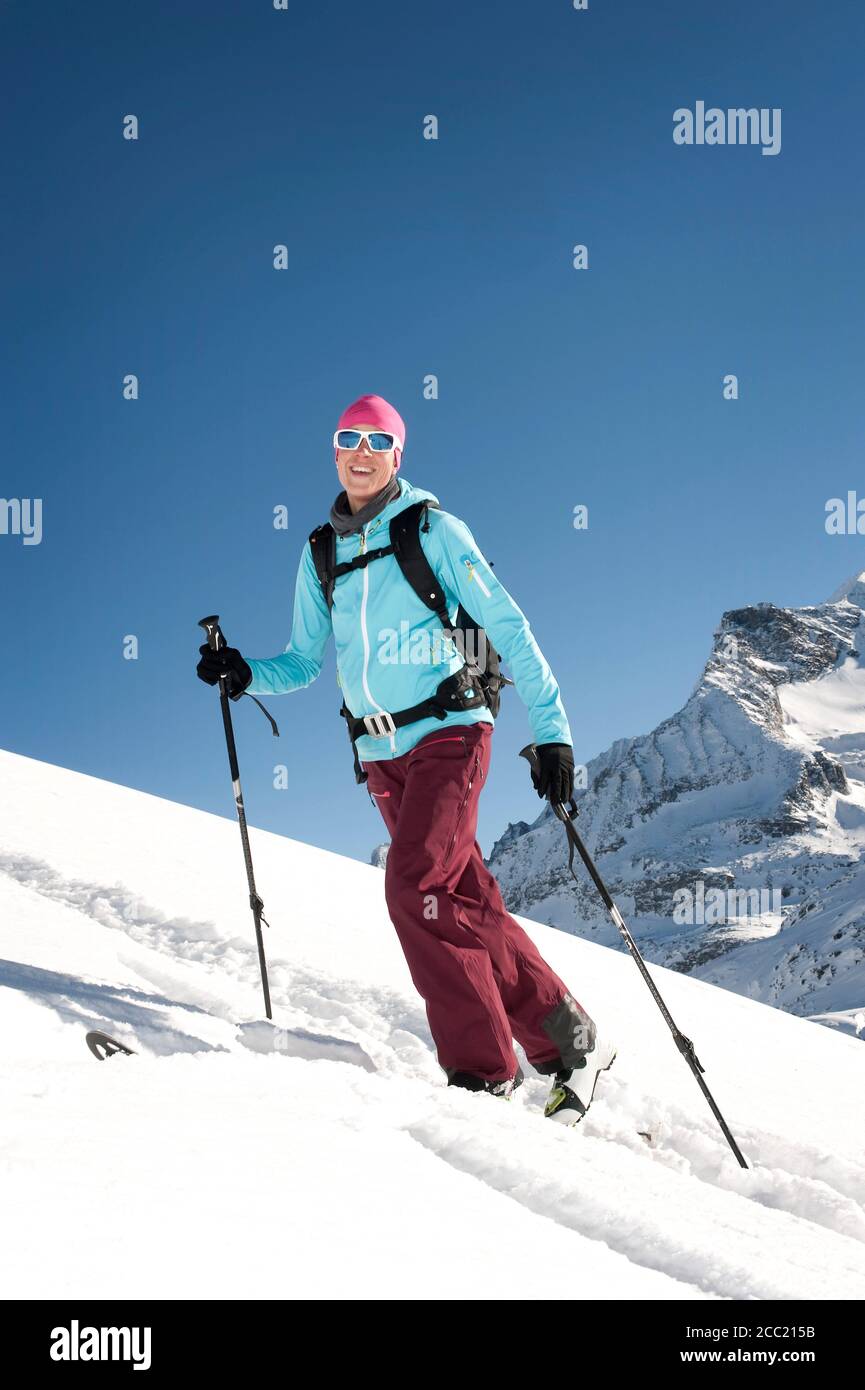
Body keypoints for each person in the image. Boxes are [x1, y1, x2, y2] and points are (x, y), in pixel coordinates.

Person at [197, 394, 615, 1123]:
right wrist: (243, 672)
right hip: (378, 754)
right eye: (347, 438)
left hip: (450, 730)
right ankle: (569, 1040)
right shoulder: (320, 552)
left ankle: (482, 1074)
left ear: (397, 454)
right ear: (333, 451)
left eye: (377, 440)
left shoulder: (432, 529)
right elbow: (301, 661)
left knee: (412, 887)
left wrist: (553, 731)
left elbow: (508, 627)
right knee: (458, 900)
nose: (361, 451)